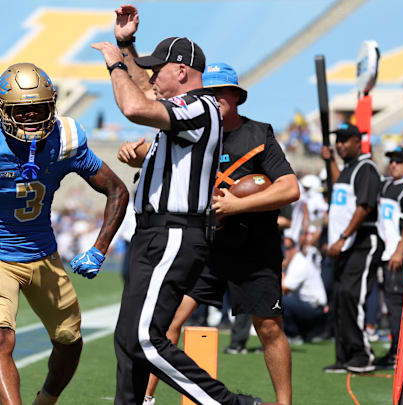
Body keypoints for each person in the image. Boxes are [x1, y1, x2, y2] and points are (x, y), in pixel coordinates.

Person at [93, 5, 277, 405]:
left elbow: (135, 104)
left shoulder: (199, 106)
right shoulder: (185, 107)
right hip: (156, 232)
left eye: (159, 68)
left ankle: (232, 404)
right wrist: (127, 44)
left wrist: (114, 64)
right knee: (128, 340)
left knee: (144, 338)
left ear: (181, 71)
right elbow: (146, 91)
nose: (152, 76)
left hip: (173, 232)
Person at [0, 62, 128, 405]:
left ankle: (46, 401)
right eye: (22, 110)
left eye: (39, 107)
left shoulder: (65, 140)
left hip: (44, 254)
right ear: (4, 110)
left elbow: (116, 189)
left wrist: (99, 248)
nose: (32, 116)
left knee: (70, 341)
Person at [146, 62, 297, 405]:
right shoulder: (193, 134)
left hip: (255, 249)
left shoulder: (259, 134)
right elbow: (155, 153)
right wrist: (136, 153)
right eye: (206, 94)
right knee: (167, 320)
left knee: (269, 328)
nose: (212, 99)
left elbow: (290, 188)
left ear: (236, 97)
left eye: (219, 93)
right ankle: (146, 398)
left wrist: (237, 206)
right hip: (206, 248)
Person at [320, 123, 384, 374]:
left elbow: (364, 207)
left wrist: (342, 237)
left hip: (361, 241)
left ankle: (362, 354)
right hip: (345, 245)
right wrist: (332, 160)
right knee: (340, 298)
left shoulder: (366, 168)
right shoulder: (349, 169)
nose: (340, 144)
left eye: (345, 140)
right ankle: (344, 355)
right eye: (338, 140)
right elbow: (340, 187)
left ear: (359, 141)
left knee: (352, 296)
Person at [373, 146, 403, 368]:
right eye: (391, 160)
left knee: (398, 306)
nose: (393, 164)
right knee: (390, 306)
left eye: (399, 161)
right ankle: (395, 350)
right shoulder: (387, 184)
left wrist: (400, 250)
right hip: (386, 253)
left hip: (398, 255)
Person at [282, 226, 328, 344]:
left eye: (286, 248)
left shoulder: (298, 263)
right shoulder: (295, 262)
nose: (284, 252)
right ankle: (302, 333)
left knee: (279, 300)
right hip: (307, 305)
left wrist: (279, 269)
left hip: (315, 308)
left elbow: (283, 288)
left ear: (294, 249)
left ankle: (294, 334)